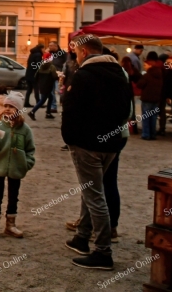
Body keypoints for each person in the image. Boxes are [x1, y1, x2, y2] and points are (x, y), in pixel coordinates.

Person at [62, 35, 132, 270]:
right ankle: (82, 237)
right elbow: (126, 110)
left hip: (87, 144)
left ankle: (103, 251)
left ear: (83, 52)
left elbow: (71, 110)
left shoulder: (84, 75)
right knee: (90, 189)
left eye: (77, 53)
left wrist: (70, 139)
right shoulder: (120, 74)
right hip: (112, 143)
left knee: (94, 196)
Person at [0, 91, 35, 239]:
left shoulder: (25, 130)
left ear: (19, 110)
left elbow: (30, 150)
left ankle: (10, 224)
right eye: (6, 105)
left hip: (16, 169)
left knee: (14, 196)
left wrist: (27, 163)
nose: (7, 108)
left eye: (12, 106)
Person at [137, 52, 163, 140]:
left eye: (145, 65)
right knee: (153, 117)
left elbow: (140, 85)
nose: (144, 67)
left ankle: (146, 134)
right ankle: (153, 134)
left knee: (146, 117)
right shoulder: (159, 75)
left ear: (149, 65)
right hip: (156, 99)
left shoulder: (147, 76)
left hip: (147, 99)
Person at [28, 52, 57, 120]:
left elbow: (36, 76)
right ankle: (32, 112)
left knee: (51, 97)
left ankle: (48, 113)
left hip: (42, 86)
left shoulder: (41, 66)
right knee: (42, 100)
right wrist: (59, 75)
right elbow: (54, 76)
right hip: (48, 86)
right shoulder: (51, 67)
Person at [48, 41, 65, 113]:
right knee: (51, 92)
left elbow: (66, 63)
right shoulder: (49, 54)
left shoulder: (62, 53)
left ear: (56, 46)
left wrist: (63, 72)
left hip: (59, 75)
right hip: (51, 75)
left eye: (51, 45)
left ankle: (64, 104)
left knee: (60, 91)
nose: (50, 47)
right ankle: (53, 107)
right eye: (49, 45)